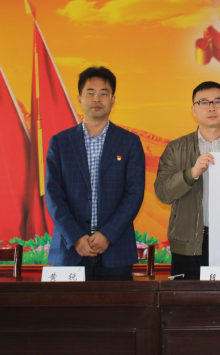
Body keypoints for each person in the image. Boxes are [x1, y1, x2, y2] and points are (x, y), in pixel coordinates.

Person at [45, 66, 145, 279]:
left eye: (103, 93)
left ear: (113, 100)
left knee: (115, 303)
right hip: (69, 249)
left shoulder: (129, 142)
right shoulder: (60, 143)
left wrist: (107, 234)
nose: (96, 98)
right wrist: (75, 237)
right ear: (79, 99)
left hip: (116, 250)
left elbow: (134, 194)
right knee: (67, 303)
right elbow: (53, 195)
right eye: (90, 92)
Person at [155, 81, 220, 279]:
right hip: (188, 245)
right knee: (186, 298)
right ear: (194, 109)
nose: (212, 107)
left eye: (217, 101)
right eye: (204, 102)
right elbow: (163, 193)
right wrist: (191, 174)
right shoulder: (175, 148)